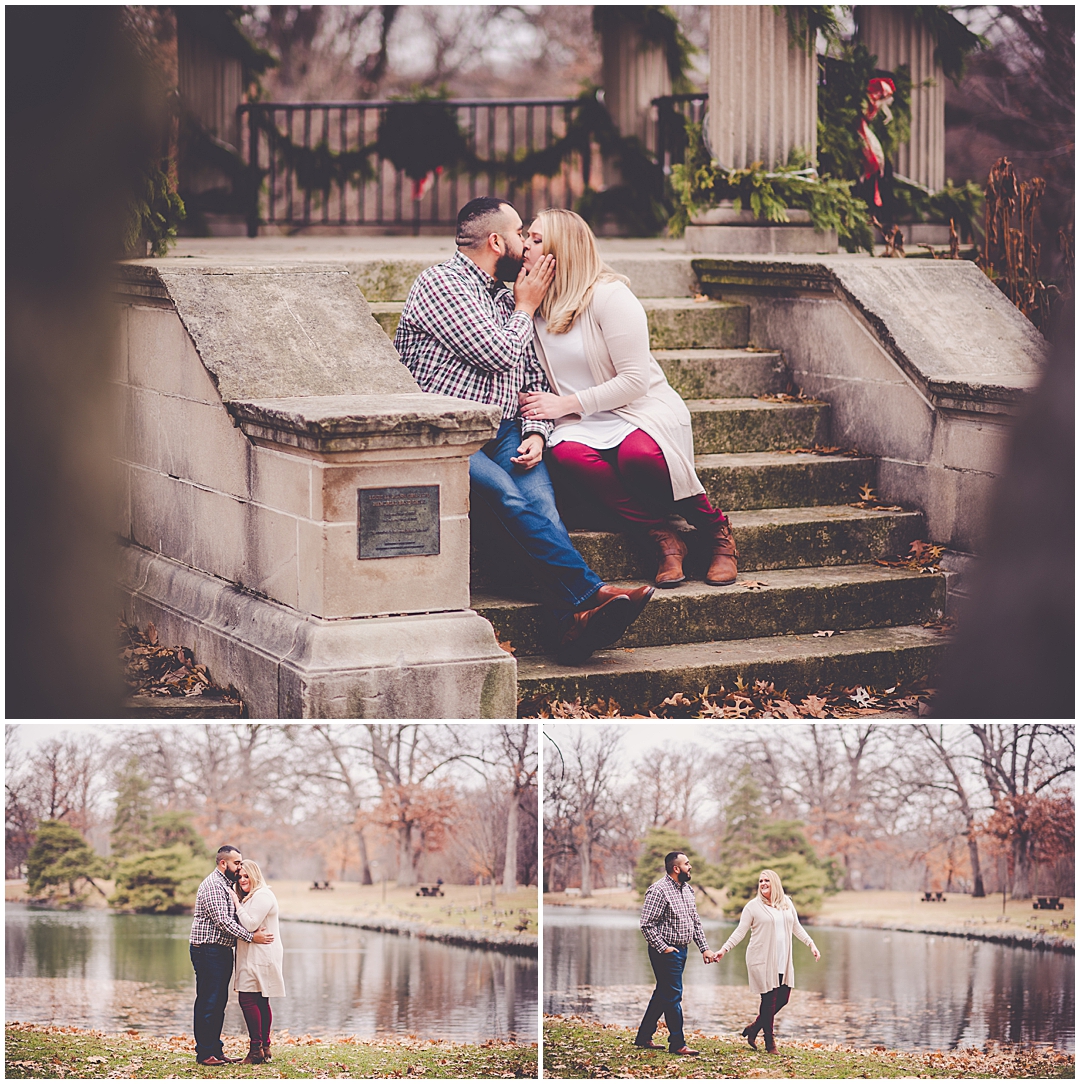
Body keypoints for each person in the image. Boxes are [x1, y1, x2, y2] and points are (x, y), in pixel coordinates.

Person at [394, 196, 652, 664]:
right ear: (497, 241)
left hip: (508, 428)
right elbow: (496, 353)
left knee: (543, 507)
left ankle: (572, 627)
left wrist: (536, 430)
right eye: (521, 235)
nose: (528, 244)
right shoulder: (442, 284)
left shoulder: (505, 293)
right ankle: (590, 593)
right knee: (508, 498)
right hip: (449, 436)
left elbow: (531, 373)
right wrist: (527, 306)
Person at [518, 208, 738, 588]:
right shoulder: (532, 304)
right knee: (567, 455)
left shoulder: (609, 296)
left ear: (562, 249)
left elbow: (635, 381)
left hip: (637, 408)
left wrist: (564, 405)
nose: (525, 245)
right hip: (584, 421)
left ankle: (715, 530)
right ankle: (663, 538)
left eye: (536, 240)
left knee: (639, 457)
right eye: (526, 236)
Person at [714, 868, 821, 1054]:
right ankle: (770, 1043)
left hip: (782, 958)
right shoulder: (752, 907)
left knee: (784, 997)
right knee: (769, 999)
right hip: (760, 957)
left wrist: (811, 944)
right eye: (760, 881)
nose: (763, 884)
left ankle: (754, 1028)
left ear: (775, 883)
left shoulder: (786, 903)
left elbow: (796, 926)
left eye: (767, 880)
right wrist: (724, 949)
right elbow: (740, 931)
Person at [189, 845, 275, 1066]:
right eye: (237, 863)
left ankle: (216, 1051)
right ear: (223, 863)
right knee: (208, 1001)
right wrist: (250, 937)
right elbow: (223, 922)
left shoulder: (227, 885)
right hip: (207, 949)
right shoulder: (213, 886)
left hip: (220, 950)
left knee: (219, 1002)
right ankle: (205, 1053)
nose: (239, 867)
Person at [634, 851, 719, 1056]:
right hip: (665, 951)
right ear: (676, 868)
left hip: (682, 950)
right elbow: (647, 925)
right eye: (687, 864)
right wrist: (663, 948)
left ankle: (643, 1036)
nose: (690, 867)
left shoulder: (688, 890)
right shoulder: (658, 890)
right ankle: (677, 1043)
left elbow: (695, 923)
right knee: (673, 995)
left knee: (663, 994)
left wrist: (704, 948)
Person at [227, 860, 285, 1065]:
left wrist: (235, 902)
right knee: (260, 1000)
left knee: (248, 999)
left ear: (255, 875)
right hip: (255, 953)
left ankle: (256, 1050)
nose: (242, 880)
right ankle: (264, 1047)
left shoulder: (262, 895)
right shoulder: (253, 896)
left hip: (261, 955)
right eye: (239, 877)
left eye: (246, 876)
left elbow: (250, 924)